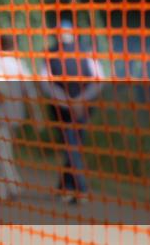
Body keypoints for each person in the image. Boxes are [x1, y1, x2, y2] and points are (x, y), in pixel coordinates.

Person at [39, 17, 105, 204]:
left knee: (71, 146)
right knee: (73, 145)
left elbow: (46, 84)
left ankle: (76, 188)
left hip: (67, 108)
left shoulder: (51, 54)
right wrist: (78, 101)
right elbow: (100, 79)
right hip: (78, 108)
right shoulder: (83, 52)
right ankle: (68, 188)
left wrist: (69, 101)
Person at [0, 34, 43, 201]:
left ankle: (13, 183)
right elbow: (31, 92)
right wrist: (37, 115)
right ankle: (1, 191)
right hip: (16, 113)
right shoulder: (20, 65)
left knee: (1, 151)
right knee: (4, 149)